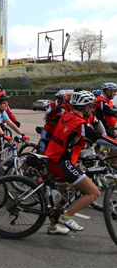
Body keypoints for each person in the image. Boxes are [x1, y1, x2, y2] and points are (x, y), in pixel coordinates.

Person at [45, 91, 117, 232]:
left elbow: (69, 140)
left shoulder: (67, 116)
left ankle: (53, 226)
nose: (93, 110)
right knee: (93, 193)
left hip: (54, 160)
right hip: (62, 162)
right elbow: (99, 137)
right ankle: (67, 217)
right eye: (91, 107)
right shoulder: (79, 123)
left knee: (68, 193)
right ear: (85, 107)